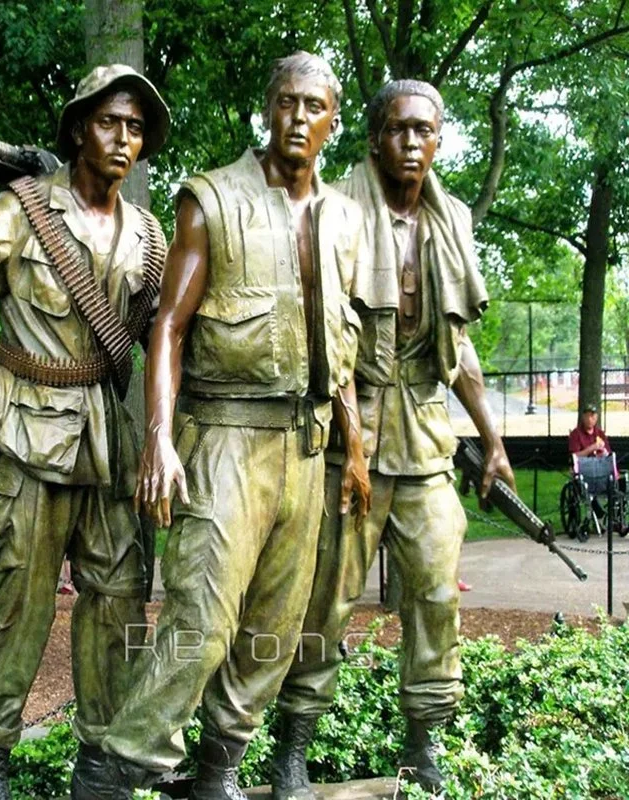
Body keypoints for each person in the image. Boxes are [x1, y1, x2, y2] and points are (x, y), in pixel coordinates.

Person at [72, 52, 371, 800]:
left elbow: (345, 352)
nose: (298, 119)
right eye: (286, 103)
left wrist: (355, 449)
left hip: (306, 446)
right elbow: (167, 326)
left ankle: (218, 772)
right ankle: (112, 770)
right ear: (267, 110)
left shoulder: (342, 219)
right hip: (228, 437)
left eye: (314, 107)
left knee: (274, 623)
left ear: (333, 121)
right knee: (201, 618)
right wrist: (159, 437)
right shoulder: (211, 198)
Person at [0, 64, 170, 800]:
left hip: (111, 447)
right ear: (80, 128)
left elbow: (162, 344)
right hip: (27, 441)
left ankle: (100, 765)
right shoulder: (22, 210)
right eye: (111, 121)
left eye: (136, 127)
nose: (123, 138)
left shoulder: (149, 235)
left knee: (119, 602)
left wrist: (163, 436)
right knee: (16, 608)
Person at [273, 79, 516, 798]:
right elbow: (329, 339)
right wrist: (352, 443)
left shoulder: (452, 222)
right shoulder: (336, 212)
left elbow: (458, 349)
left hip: (427, 443)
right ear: (375, 136)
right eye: (400, 130)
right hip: (355, 434)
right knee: (326, 601)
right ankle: (294, 746)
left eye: (426, 132)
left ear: (439, 141)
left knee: (438, 594)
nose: (413, 144)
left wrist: (492, 437)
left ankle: (423, 743)